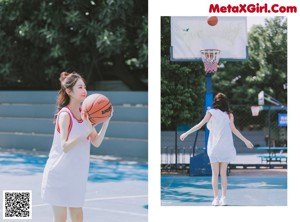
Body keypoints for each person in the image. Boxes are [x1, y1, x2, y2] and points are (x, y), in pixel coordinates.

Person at [41, 71, 112, 222]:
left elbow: (97, 142)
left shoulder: (86, 115)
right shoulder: (65, 115)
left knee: (78, 217)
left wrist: (106, 121)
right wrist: (85, 132)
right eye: (80, 87)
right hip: (59, 174)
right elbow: (65, 146)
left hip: (76, 176)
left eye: (84, 87)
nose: (84, 90)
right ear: (69, 91)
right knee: (61, 219)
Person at [180, 93, 253, 206]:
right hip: (225, 146)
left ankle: (215, 199)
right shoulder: (229, 115)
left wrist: (187, 133)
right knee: (223, 174)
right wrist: (246, 140)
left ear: (216, 102)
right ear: (225, 102)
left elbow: (199, 125)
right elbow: (234, 130)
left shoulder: (211, 112)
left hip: (214, 146)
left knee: (215, 174)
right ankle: (224, 198)